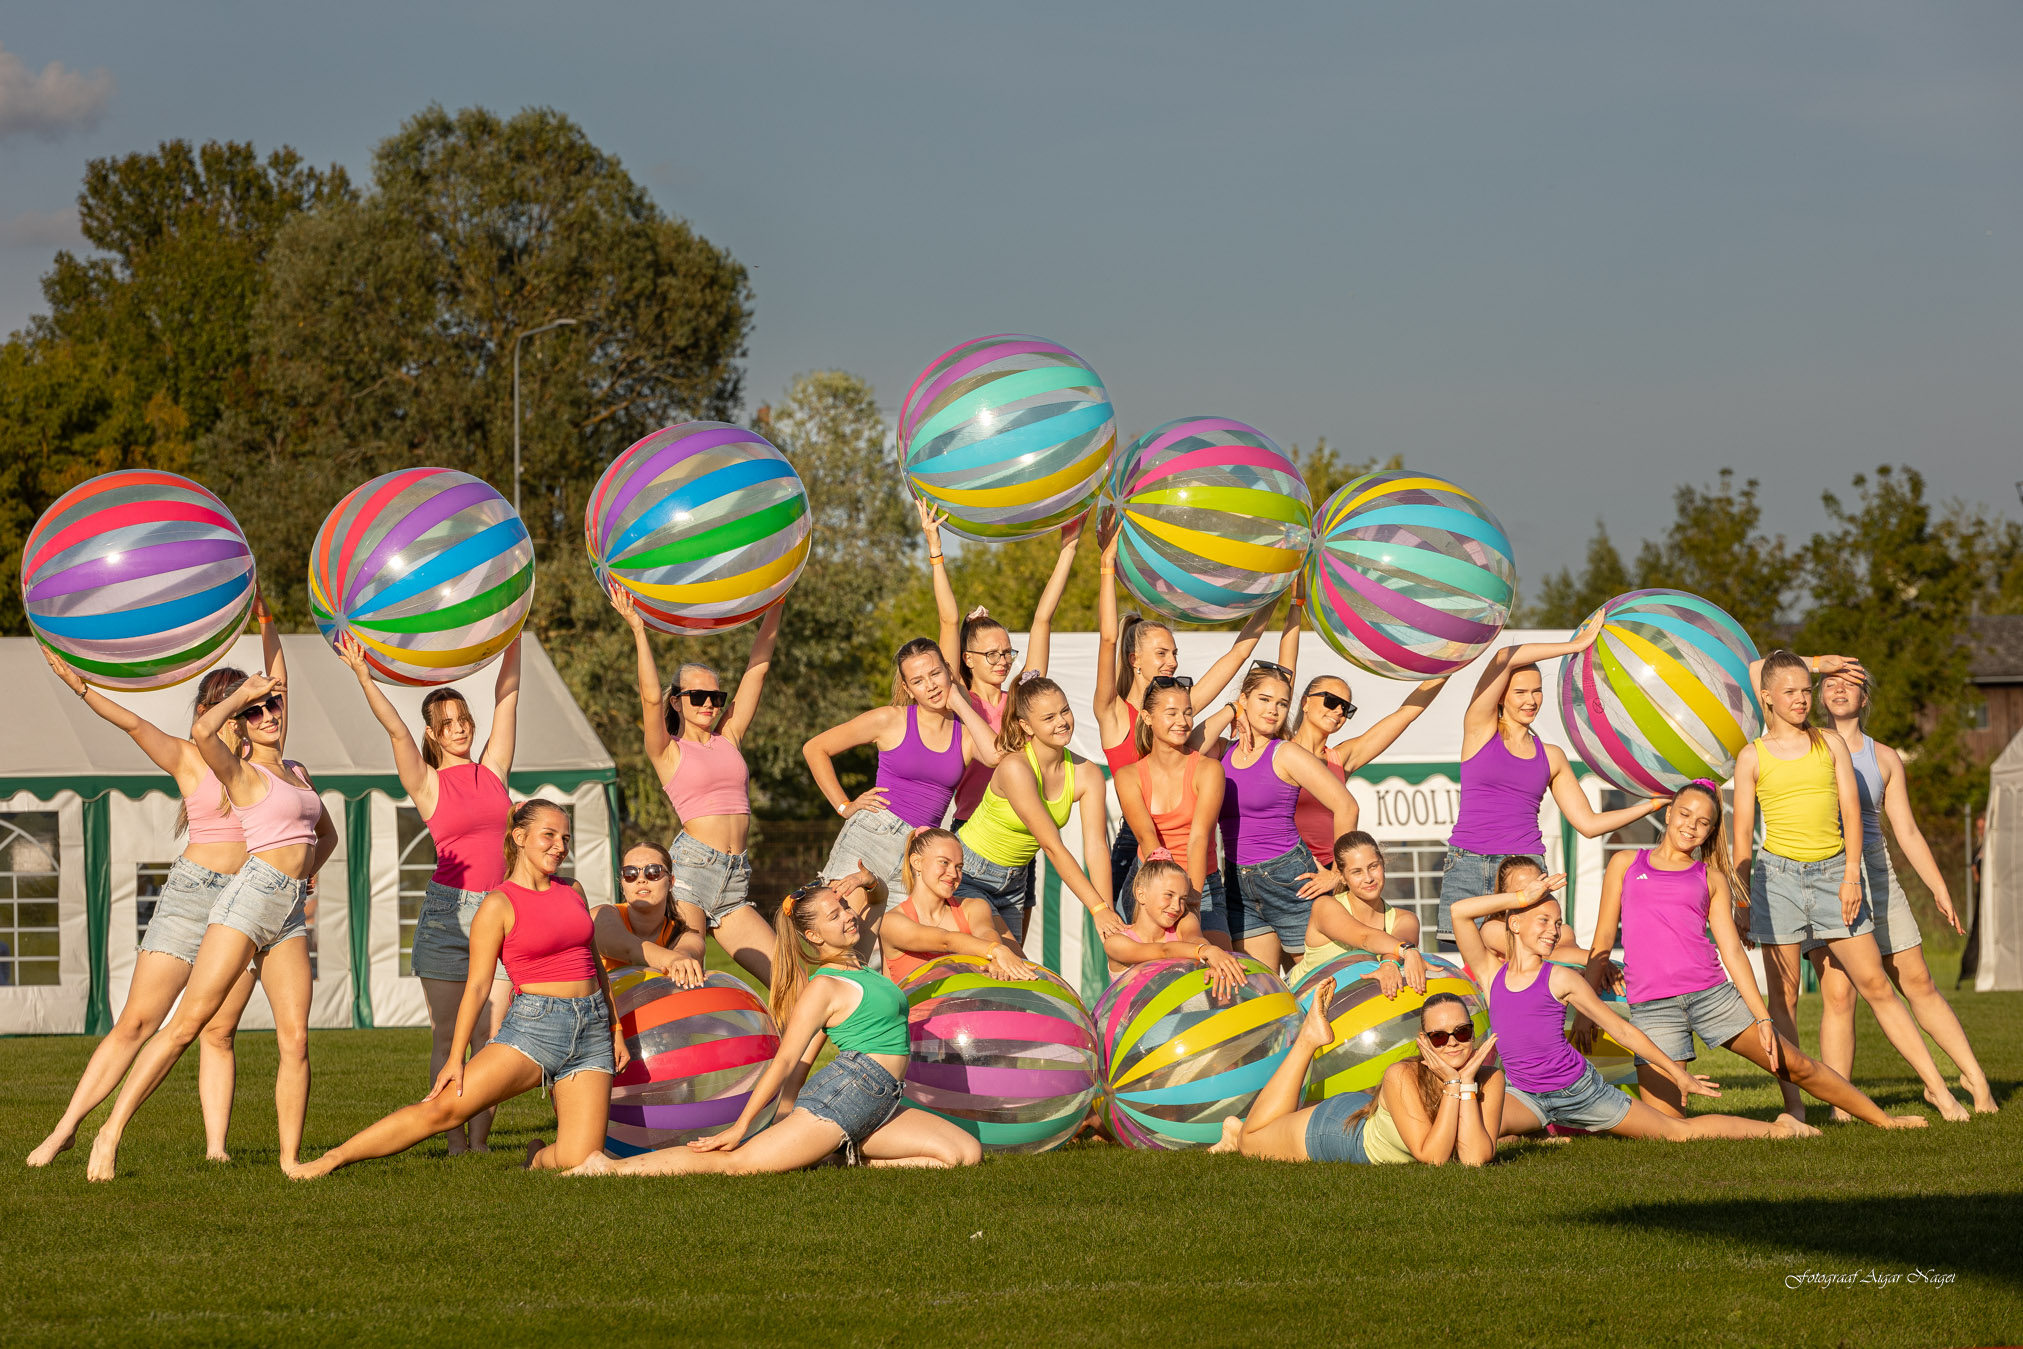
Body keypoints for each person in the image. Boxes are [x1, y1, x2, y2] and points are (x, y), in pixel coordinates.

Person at [26, 600, 283, 1169]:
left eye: (260, 704)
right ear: (219, 711)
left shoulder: (269, 759)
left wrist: (267, 623)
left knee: (218, 1031)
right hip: (194, 894)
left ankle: (217, 1149)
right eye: (243, 703)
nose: (260, 710)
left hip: (247, 896)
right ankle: (65, 1129)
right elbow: (133, 723)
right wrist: (76, 685)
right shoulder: (192, 757)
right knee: (138, 1022)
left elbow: (277, 686)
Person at [85, 668, 338, 1180]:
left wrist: (306, 876)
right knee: (185, 1027)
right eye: (255, 711)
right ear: (240, 722)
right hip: (246, 902)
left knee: (295, 1039)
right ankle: (108, 1134)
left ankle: (291, 1162)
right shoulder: (239, 772)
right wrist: (240, 696)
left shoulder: (298, 771)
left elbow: (326, 835)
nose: (267, 715)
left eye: (273, 706)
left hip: (287, 910)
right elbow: (201, 733)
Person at [295, 801, 625, 1176]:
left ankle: (535, 1156)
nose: (560, 846)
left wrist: (615, 1029)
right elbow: (478, 986)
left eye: (565, 838)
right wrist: (456, 1059)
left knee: (581, 1160)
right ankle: (332, 1159)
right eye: (549, 835)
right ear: (519, 837)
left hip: (593, 1029)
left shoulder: (573, 890)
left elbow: (596, 965)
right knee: (442, 1110)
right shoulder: (498, 905)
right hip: (537, 1028)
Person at [568, 878, 983, 1174]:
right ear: (813, 935)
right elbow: (786, 1060)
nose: (847, 917)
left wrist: (862, 881)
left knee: (965, 1153)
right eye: (833, 915)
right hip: (846, 1096)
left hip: (880, 1099)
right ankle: (606, 1168)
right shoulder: (825, 986)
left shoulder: (860, 961)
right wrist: (741, 1127)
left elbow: (877, 895)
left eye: (844, 908)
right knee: (737, 1163)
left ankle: (839, 1153)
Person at [1583, 780, 1925, 1130]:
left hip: (1712, 997)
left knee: (1800, 1067)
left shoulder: (1711, 878)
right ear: (1669, 814)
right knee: (1667, 1128)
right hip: (1653, 1010)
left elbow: (1732, 951)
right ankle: (1781, 1131)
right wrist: (1587, 1010)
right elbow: (1603, 940)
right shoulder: (1625, 864)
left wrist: (1763, 1018)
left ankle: (1884, 1120)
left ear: (1711, 831)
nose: (1691, 825)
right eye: (1685, 814)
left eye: (1703, 822)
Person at [1731, 651, 1972, 1123]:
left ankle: (1941, 1092)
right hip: (1774, 882)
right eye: (1791, 692)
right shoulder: (1752, 755)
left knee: (1877, 985)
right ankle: (1795, 1110)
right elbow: (1741, 836)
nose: (1802, 699)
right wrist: (1742, 899)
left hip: (1832, 875)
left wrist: (1849, 877)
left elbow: (1851, 817)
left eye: (1806, 690)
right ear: (1768, 700)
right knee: (1784, 1002)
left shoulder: (1830, 745)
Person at [1451, 872, 1813, 1143]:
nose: (1553, 931)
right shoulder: (1491, 973)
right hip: (1524, 1094)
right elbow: (1459, 912)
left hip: (1580, 1092)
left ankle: (1782, 1129)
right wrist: (1519, 895)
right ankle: (1543, 1133)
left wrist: (1677, 1072)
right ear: (1513, 923)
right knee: (1469, 1138)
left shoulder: (1561, 979)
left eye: (1558, 924)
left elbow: (1622, 1030)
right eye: (1543, 921)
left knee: (1677, 1134)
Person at [335, 633, 520, 1154]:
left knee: (492, 1036)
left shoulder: (494, 771)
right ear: (433, 734)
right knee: (447, 1036)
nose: (459, 729)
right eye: (447, 724)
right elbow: (393, 728)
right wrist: (361, 673)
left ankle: (479, 1143)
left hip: (501, 912)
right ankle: (454, 1140)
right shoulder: (428, 782)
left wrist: (515, 633)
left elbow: (509, 696)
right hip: (447, 917)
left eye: (463, 720)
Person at [1808, 670, 1996, 1115]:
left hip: (1875, 871)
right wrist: (1819, 659)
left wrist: (1939, 887)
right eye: (1829, 682)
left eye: (1848, 683)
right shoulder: (1805, 745)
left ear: (1865, 697)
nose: (1837, 688)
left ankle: (1977, 1081)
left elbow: (1906, 830)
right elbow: (1764, 675)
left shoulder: (1885, 757)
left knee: (1919, 983)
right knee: (1838, 993)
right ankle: (1842, 1106)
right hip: (1823, 871)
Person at [1440, 623, 1666, 951]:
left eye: (1537, 691)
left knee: (1542, 957)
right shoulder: (1479, 730)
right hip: (1469, 864)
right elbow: (1504, 656)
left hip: (1527, 867)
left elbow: (1588, 824)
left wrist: (1652, 804)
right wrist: (1576, 646)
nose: (1531, 700)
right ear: (1501, 696)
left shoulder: (1552, 757)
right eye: (1520, 692)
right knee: (1467, 968)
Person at [609, 582, 782, 985]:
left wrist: (776, 602)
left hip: (735, 877)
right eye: (698, 696)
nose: (708, 704)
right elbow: (650, 699)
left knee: (795, 984)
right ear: (677, 701)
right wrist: (637, 627)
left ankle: (793, 1053)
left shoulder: (730, 737)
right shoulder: (667, 751)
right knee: (687, 966)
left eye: (716, 697)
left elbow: (758, 668)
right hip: (691, 872)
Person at [1094, 510, 1268, 896]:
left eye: (1174, 653)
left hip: (1193, 849)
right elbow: (1109, 640)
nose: (1171, 661)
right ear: (1134, 659)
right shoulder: (1112, 713)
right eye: (1160, 653)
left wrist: (1273, 594)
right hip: (1136, 845)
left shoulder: (1178, 708)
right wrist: (1107, 566)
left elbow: (1235, 657)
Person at [1211, 980, 1503, 1165]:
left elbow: (1475, 1160)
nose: (1452, 1041)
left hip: (1367, 1111)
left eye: (1462, 1032)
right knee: (1250, 1143)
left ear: (1473, 1034)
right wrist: (1454, 1082)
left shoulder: (1491, 1078)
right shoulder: (1402, 1075)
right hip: (1339, 1131)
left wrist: (1466, 1084)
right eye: (1439, 1036)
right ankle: (1308, 1039)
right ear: (1423, 1041)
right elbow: (1434, 1158)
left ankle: (1236, 1133)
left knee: (1256, 1135)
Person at [921, 502, 1082, 833]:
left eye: (1007, 652)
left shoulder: (1022, 698)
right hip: (970, 831)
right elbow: (948, 621)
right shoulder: (960, 698)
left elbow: (1043, 619)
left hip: (1022, 829)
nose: (1003, 661)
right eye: (992, 654)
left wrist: (1069, 546)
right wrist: (936, 551)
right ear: (968, 658)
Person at [803, 638, 1002, 898]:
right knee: (844, 928)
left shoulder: (964, 735)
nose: (930, 686)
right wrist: (844, 806)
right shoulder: (890, 719)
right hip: (872, 835)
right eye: (918, 681)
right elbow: (815, 748)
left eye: (935, 674)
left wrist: (960, 703)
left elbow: (996, 755)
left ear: (948, 672)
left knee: (899, 938)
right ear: (908, 689)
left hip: (919, 851)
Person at [1212, 663, 1359, 975]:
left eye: (1281, 703)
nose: (1274, 710)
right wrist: (1229, 711)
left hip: (1290, 879)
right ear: (1244, 700)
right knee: (1262, 990)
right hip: (1238, 884)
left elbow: (1347, 806)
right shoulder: (1222, 751)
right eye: (1264, 700)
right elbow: (1194, 739)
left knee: (1318, 980)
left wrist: (1337, 873)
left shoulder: (1286, 754)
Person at [956, 676, 1123, 942]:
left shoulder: (1088, 773)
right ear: (1026, 725)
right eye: (1049, 718)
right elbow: (1052, 846)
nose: (1062, 722)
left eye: (1065, 710)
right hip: (968, 873)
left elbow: (1096, 847)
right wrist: (1097, 908)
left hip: (1014, 883)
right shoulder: (1015, 768)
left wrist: (1108, 912)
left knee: (1014, 979)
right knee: (1005, 964)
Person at [1111, 678, 1227, 939]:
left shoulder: (1208, 770)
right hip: (1152, 886)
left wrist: (1192, 902)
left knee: (1216, 966)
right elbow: (1148, 839)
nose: (1183, 721)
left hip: (1201, 885)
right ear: (1147, 717)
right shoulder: (1128, 776)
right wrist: (1171, 896)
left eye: (1188, 713)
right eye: (1171, 713)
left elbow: (1199, 838)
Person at [880, 828, 1034, 983]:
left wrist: (995, 953)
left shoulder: (974, 907)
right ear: (916, 862)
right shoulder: (891, 921)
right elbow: (946, 941)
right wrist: (996, 950)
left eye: (959, 867)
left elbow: (986, 931)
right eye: (944, 862)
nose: (953, 874)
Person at [1285, 832, 1428, 994]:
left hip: (1350, 1006)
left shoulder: (1405, 919)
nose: (1368, 878)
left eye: (1373, 866)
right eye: (1357, 872)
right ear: (1342, 876)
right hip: (1299, 1001)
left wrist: (1390, 963)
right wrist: (1409, 952)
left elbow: (1399, 943)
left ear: (1383, 864)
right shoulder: (1325, 906)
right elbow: (1365, 938)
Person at [1100, 860, 1248, 995]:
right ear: (1141, 895)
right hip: (1134, 1023)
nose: (1177, 907)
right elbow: (1164, 951)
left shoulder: (1183, 921)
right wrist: (1206, 951)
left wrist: (1212, 959)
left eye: (1182, 899)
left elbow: (1195, 939)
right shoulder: (1116, 943)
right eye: (1169, 895)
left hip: (1180, 1020)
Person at [594, 842, 708, 987]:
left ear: (671, 882)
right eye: (630, 873)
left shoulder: (685, 936)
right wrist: (673, 960)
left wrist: (682, 957)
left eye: (653, 871)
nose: (641, 879)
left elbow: (688, 950)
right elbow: (632, 949)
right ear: (622, 885)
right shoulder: (601, 915)